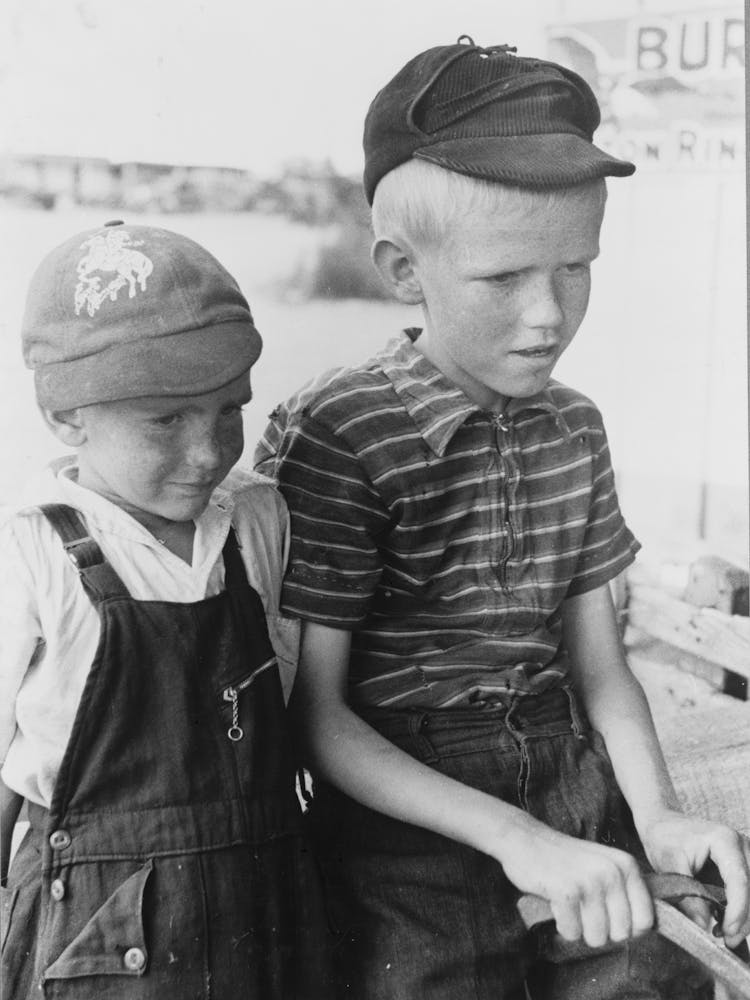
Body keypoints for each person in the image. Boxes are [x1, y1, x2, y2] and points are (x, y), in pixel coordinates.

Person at [254, 37, 750, 1000]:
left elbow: (602, 671)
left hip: (571, 779)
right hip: (406, 825)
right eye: (503, 279)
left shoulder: (575, 428)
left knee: (661, 981)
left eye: (576, 269)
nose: (548, 316)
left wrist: (659, 819)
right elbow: (317, 719)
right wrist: (520, 842)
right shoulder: (342, 434)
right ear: (404, 271)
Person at [0, 222, 328, 999]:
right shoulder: (32, 550)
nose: (208, 450)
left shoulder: (255, 520)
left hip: (265, 910)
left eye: (227, 411)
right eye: (166, 421)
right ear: (66, 416)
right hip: (95, 940)